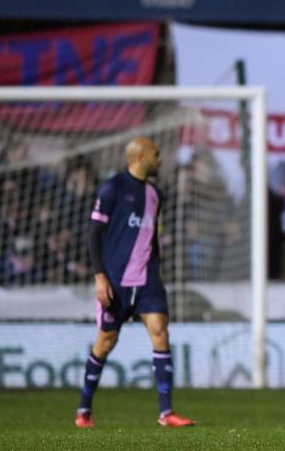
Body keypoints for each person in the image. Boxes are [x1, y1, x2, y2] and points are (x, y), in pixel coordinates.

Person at [74, 138, 193, 429]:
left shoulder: (156, 194)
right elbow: (94, 235)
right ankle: (83, 410)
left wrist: (155, 267)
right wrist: (100, 276)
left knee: (160, 332)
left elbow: (150, 236)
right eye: (156, 153)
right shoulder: (112, 188)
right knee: (105, 343)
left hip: (148, 280)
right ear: (139, 157)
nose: (160, 159)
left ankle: (166, 413)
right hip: (116, 281)